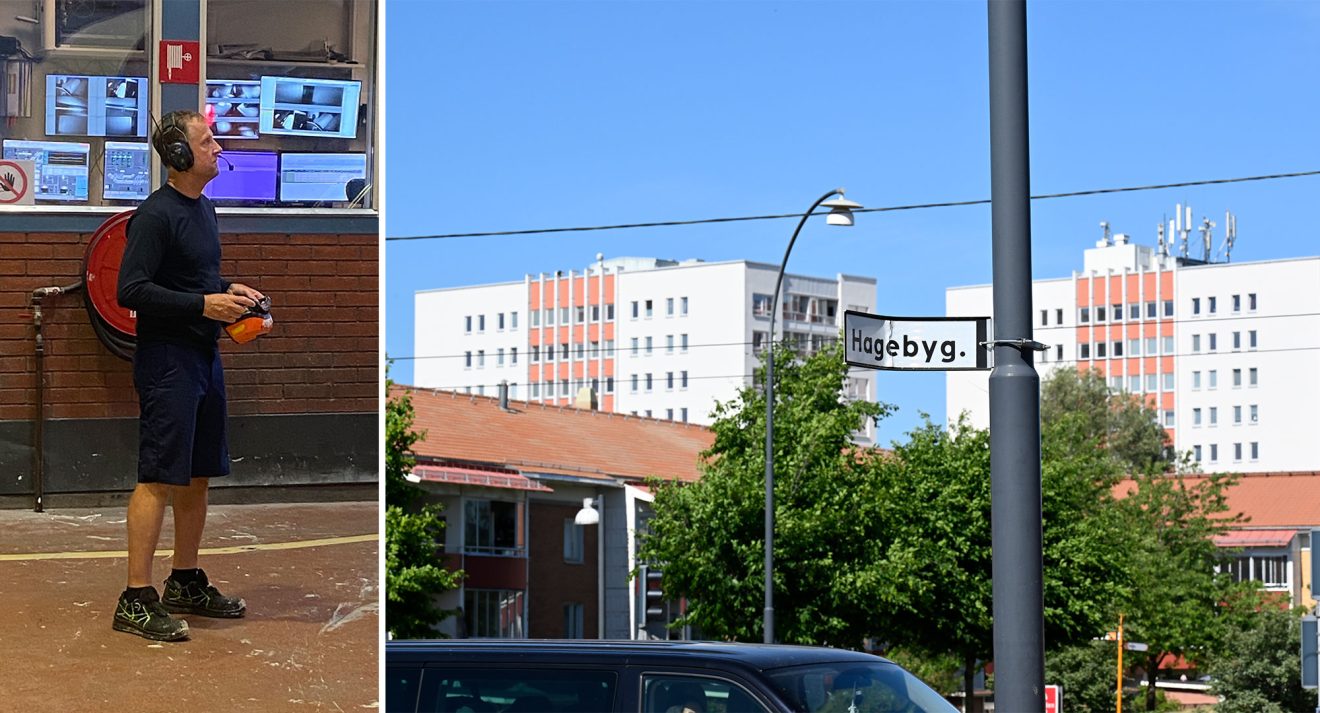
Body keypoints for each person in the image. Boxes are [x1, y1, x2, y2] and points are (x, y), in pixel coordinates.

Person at [113, 109, 264, 641]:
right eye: (207, 142)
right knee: (158, 477)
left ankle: (183, 580)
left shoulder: (205, 210)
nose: (218, 149)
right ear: (179, 156)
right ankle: (135, 598)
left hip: (202, 356)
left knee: (197, 474)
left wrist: (231, 290)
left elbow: (195, 278)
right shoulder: (154, 216)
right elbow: (130, 290)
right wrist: (204, 304)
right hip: (167, 360)